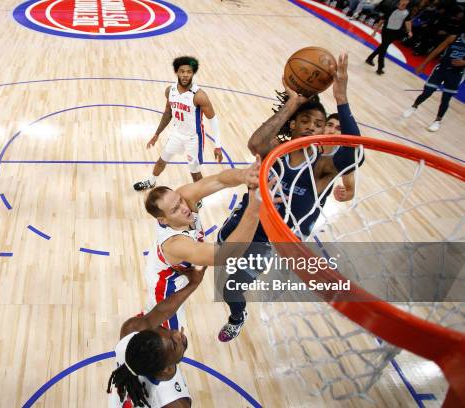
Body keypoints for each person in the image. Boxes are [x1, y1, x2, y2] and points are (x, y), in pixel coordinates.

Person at [216, 53, 363, 342]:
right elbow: (255, 143)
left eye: (318, 123)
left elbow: (354, 153)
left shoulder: (323, 166)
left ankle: (237, 316)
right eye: (304, 120)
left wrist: (342, 99)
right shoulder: (274, 150)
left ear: (324, 131)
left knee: (230, 288)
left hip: (270, 241)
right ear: (293, 125)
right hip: (240, 225)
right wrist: (294, 103)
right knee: (220, 270)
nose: (310, 126)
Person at [143, 161, 272, 330]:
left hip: (178, 266)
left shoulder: (184, 197)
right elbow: (225, 255)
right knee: (171, 338)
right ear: (163, 220)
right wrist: (254, 209)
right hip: (165, 288)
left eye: (180, 201)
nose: (184, 208)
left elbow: (220, 180)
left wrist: (243, 175)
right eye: (174, 210)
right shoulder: (176, 244)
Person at [107, 266, 205, 407]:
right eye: (174, 343)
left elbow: (161, 311)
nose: (177, 334)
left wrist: (193, 284)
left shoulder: (130, 334)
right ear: (165, 371)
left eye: (169, 332)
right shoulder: (175, 403)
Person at [133, 56, 223, 192]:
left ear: (193, 73)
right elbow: (168, 113)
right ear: (177, 72)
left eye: (189, 72)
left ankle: (198, 195)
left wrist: (217, 146)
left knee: (195, 172)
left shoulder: (199, 95)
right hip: (177, 134)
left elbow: (213, 119)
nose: (185, 75)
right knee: (161, 160)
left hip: (193, 138)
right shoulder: (170, 91)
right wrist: (156, 134)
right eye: (182, 71)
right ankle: (151, 181)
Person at [402, 31, 465, 132]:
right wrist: (423, 64)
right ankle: (414, 106)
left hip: (457, 73)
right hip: (441, 69)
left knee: (446, 98)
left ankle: (437, 121)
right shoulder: (454, 37)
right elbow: (437, 50)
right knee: (427, 92)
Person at [365, 0, 413, 75]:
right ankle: (380, 68)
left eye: (405, 3)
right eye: (402, 2)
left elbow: (408, 22)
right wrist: (375, 31)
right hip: (386, 31)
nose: (403, 3)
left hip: (396, 33)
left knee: (383, 46)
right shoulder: (392, 9)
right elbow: (382, 20)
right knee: (383, 48)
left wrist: (409, 31)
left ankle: (370, 58)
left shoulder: (407, 12)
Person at [324, 113, 356, 202]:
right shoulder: (307, 142)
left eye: (339, 128)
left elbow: (351, 192)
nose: (332, 131)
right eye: (330, 125)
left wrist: (343, 195)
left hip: (314, 201)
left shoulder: (343, 156)